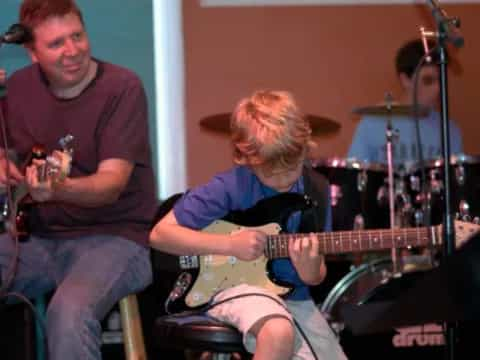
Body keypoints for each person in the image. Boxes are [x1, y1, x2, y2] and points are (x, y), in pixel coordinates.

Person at [0, 1, 156, 359]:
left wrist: (58, 188)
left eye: (78, 37)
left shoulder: (122, 87)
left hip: (117, 239)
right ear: (32, 52)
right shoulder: (20, 87)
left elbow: (110, 185)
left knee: (68, 313)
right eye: (56, 44)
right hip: (40, 240)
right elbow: (8, 151)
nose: (72, 51)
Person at [150, 90, 347, 360]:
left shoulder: (318, 190)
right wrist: (229, 245)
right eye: (271, 173)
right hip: (230, 287)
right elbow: (161, 235)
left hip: (294, 298)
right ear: (246, 158)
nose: (283, 181)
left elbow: (316, 276)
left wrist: (311, 270)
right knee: (278, 333)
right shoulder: (231, 186)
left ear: (304, 151)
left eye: (291, 169)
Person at [348, 38, 463, 166]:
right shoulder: (373, 123)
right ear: (405, 80)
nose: (438, 89)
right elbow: (355, 177)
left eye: (441, 80)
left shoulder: (449, 130)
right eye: (428, 81)